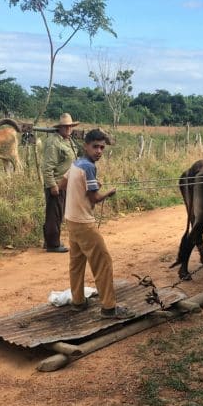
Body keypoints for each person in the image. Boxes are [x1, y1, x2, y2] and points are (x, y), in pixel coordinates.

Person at [63, 129, 136, 320]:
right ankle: (109, 308)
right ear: (85, 146)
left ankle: (78, 301)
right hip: (84, 222)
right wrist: (108, 193)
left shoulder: (76, 163)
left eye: (102, 147)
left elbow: (63, 183)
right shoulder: (88, 167)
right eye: (95, 146)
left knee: (76, 263)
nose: (99, 151)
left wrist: (86, 186)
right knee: (103, 262)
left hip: (71, 219)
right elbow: (94, 198)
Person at [41, 113, 78, 252]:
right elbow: (48, 166)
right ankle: (52, 244)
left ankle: (49, 241)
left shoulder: (68, 141)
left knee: (57, 213)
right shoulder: (54, 142)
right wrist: (52, 185)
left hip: (65, 183)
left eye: (70, 126)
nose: (68, 129)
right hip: (57, 183)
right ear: (60, 127)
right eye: (65, 126)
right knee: (54, 214)